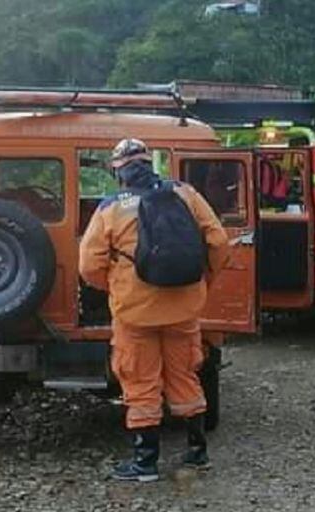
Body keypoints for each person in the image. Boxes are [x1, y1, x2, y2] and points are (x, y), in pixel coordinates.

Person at [79, 138, 230, 483]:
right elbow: (219, 243)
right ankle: (196, 453)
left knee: (141, 383)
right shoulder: (185, 194)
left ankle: (145, 463)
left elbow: (89, 265)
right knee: (185, 377)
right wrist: (202, 281)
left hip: (135, 313)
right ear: (151, 164)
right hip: (184, 306)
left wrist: (117, 286)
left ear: (119, 172)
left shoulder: (110, 208)